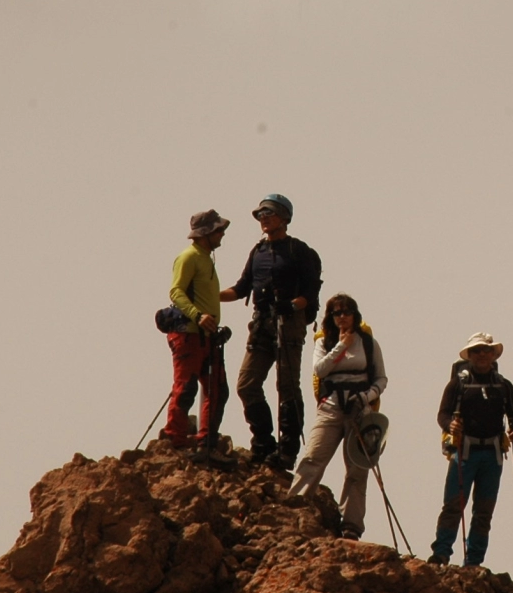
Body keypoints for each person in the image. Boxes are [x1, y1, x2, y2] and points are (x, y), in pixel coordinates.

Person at [220, 193, 322, 470]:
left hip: (289, 323)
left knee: (287, 386)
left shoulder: (298, 250)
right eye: (260, 215)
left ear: (284, 218)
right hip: (261, 323)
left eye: (269, 214)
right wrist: (208, 296)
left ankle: (287, 451)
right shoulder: (258, 252)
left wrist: (292, 305)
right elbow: (241, 288)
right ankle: (264, 444)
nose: (263, 219)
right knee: (246, 384)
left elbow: (311, 291)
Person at [290, 293, 386, 540]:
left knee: (357, 469)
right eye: (337, 313)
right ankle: (294, 507)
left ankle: (352, 526)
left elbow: (380, 379)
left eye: (347, 312)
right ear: (330, 317)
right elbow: (320, 370)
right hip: (331, 407)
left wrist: (365, 397)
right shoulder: (324, 341)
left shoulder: (368, 343)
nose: (342, 317)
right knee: (313, 456)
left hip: (360, 409)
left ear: (355, 315)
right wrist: (342, 345)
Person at [430, 333, 513, 567]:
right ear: (470, 356)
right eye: (476, 351)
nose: (482, 354)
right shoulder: (458, 384)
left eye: (486, 350)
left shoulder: (504, 386)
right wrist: (449, 425)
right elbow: (443, 414)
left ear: (493, 355)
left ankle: (473, 560)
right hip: (464, 451)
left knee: (484, 510)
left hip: (492, 454)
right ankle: (441, 553)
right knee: (453, 506)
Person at [161, 210, 231, 452]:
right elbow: (176, 292)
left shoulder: (205, 258)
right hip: (188, 334)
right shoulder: (189, 257)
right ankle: (175, 440)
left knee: (217, 389)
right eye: (218, 230)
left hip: (207, 336)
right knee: (186, 388)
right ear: (205, 233)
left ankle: (206, 443)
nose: (222, 234)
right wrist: (198, 316)